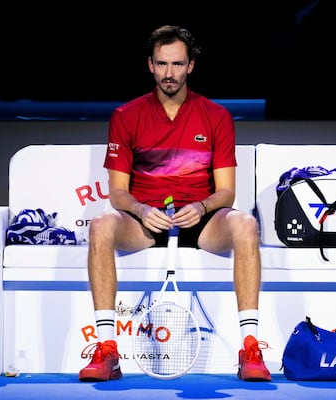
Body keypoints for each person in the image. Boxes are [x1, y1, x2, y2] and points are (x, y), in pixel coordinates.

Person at [78, 25, 271, 382]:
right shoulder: (125, 116)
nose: (169, 73)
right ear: (150, 65)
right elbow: (118, 192)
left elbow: (226, 192)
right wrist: (141, 210)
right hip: (147, 220)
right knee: (101, 224)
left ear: (191, 66)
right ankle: (107, 351)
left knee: (245, 224)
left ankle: (251, 348)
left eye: (177, 64)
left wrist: (200, 207)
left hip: (201, 219)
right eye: (162, 64)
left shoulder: (216, 117)